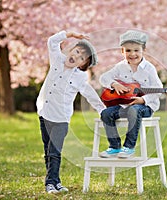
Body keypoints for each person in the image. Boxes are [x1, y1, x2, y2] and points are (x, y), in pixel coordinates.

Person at [36, 30, 105, 194]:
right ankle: (55, 181)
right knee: (47, 150)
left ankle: (50, 183)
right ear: (72, 49)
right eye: (77, 51)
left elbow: (89, 94)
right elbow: (52, 41)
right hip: (44, 112)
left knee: (55, 151)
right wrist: (70, 34)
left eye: (82, 58)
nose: (77, 56)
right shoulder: (57, 59)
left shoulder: (80, 78)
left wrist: (102, 110)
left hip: (61, 119)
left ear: (82, 65)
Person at [99, 30, 163, 159]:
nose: (132, 54)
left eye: (136, 50)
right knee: (106, 113)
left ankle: (128, 147)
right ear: (122, 51)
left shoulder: (149, 68)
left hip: (144, 107)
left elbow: (158, 89)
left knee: (134, 110)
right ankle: (114, 146)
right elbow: (103, 78)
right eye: (128, 51)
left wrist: (143, 100)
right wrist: (114, 84)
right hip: (124, 106)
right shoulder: (120, 67)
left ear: (143, 50)